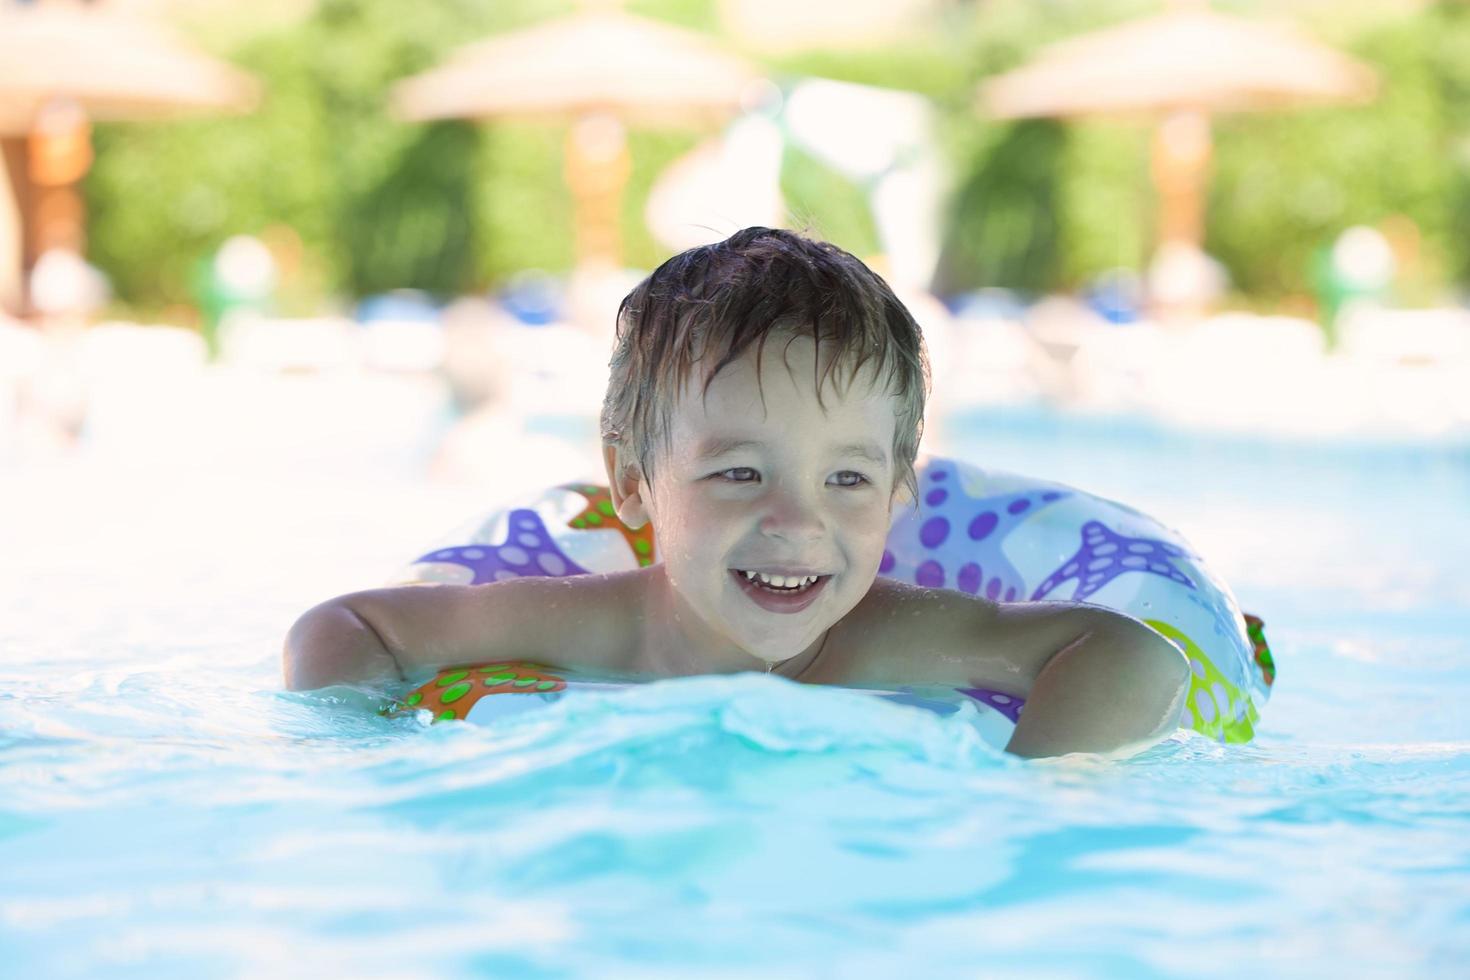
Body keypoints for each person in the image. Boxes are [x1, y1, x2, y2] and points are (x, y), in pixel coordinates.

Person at [283, 228, 1188, 758]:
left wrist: (1037, 809)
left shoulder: (896, 636)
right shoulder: (598, 626)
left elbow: (1133, 654)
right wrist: (371, 765)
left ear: (899, 492)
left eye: (848, 478)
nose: (798, 523)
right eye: (739, 473)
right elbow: (344, 629)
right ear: (634, 483)